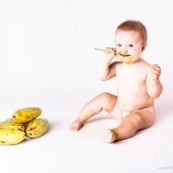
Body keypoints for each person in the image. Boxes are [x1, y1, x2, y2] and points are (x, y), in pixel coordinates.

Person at [69, 20, 163, 143]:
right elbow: (103, 76)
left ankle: (116, 133)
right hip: (120, 109)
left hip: (142, 112)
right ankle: (81, 118)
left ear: (143, 47)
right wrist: (106, 59)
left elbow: (154, 94)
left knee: (134, 120)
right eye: (119, 45)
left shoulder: (148, 69)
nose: (123, 50)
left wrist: (155, 80)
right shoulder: (118, 65)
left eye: (130, 45)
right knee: (103, 97)